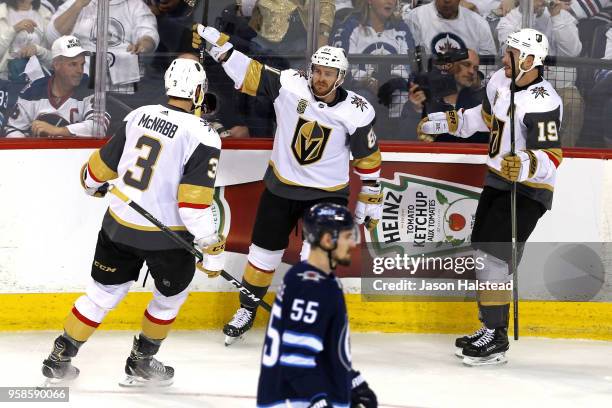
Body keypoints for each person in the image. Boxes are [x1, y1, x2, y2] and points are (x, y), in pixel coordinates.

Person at [40, 57, 225, 386]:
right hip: (169, 240)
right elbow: (193, 206)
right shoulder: (204, 135)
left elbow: (94, 174)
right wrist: (211, 245)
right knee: (169, 299)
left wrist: (92, 188)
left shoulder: (138, 115)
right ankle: (141, 362)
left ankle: (60, 357)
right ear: (198, 91)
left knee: (99, 295)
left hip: (118, 227)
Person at [194, 25, 383, 345]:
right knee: (262, 255)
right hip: (281, 188)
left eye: (329, 73)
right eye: (318, 71)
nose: (320, 78)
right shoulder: (290, 85)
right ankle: (247, 308)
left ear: (341, 78)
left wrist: (371, 192)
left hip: (328, 195)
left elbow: (367, 155)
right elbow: (249, 72)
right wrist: (218, 48)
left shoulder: (357, 112)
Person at [417, 28, 563, 365]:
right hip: (499, 179)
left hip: (530, 189)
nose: (503, 57)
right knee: (484, 251)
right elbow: (482, 119)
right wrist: (442, 124)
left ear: (530, 60)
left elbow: (552, 155)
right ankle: (489, 328)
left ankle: (496, 337)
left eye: (512, 52)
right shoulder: (500, 79)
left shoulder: (545, 101)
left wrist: (526, 163)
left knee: (495, 258)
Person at [256, 202, 377, 408]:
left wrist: (352, 381)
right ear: (328, 240)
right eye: (348, 237)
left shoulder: (310, 276)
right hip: (298, 399)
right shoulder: (311, 285)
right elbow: (296, 359)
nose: (352, 244)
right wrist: (317, 399)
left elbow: (324, 347)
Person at [497, 0, 582, 145]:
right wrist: (527, 15)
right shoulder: (509, 20)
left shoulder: (562, 16)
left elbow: (573, 51)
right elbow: (509, 51)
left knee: (573, 101)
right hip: (522, 89)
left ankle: (565, 155)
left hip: (561, 88)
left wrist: (556, 16)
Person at [331, 0, 415, 136]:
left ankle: (403, 151)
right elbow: (340, 65)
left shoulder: (401, 28)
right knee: (362, 98)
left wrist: (392, 82)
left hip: (395, 87)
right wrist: (365, 81)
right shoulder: (349, 26)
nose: (390, 2)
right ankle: (361, 148)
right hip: (358, 88)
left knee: (405, 98)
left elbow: (409, 66)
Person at [4, 35, 110, 137]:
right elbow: (13, 128)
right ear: (56, 65)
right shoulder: (32, 91)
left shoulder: (89, 88)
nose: (80, 71)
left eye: (82, 64)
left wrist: (58, 131)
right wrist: (27, 150)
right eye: (73, 64)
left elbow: (100, 126)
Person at [46, 0, 159, 94]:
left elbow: (149, 35)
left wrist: (143, 44)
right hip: (78, 82)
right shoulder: (75, 2)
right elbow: (52, 37)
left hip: (120, 84)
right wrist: (78, 5)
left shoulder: (135, 5)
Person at [407, 48, 488, 143]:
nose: (472, 72)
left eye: (475, 68)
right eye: (466, 64)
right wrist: (417, 110)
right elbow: (403, 136)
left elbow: (481, 144)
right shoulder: (424, 99)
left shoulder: (478, 105)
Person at [404, 0, 497, 56]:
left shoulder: (479, 23)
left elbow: (489, 63)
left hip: (467, 85)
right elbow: (404, 59)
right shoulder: (415, 18)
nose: (447, 0)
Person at [0, 0, 53, 82]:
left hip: (39, 81)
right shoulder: (2, 11)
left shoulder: (46, 13)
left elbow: (55, 59)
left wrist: (38, 50)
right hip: (5, 81)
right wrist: (14, 29)